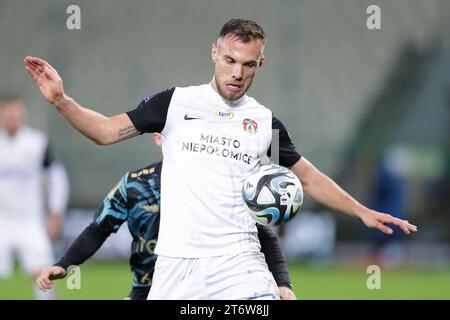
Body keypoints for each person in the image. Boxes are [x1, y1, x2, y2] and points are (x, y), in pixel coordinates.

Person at [24, 19, 417, 299]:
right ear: (215, 53)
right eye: (229, 60)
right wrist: (61, 100)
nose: (237, 73)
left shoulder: (263, 122)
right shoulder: (175, 103)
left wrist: (361, 211)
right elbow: (105, 131)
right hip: (177, 265)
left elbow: (308, 177)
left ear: (259, 65)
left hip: (239, 263)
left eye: (248, 65)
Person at [35, 133, 296, 300]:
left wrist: (283, 283)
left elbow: (261, 235)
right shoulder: (134, 184)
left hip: (205, 289)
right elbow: (99, 229)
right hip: (147, 291)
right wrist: (65, 263)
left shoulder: (215, 185)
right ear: (159, 138)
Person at [0, 96, 69, 300]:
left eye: (16, 110)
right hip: (1, 219)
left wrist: (56, 213)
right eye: (7, 111)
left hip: (30, 219)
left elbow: (57, 178)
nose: (12, 115)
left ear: (23, 113)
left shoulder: (37, 143)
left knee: (42, 274)